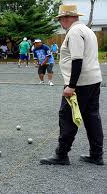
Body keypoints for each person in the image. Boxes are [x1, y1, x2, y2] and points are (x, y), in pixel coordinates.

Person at [40, 4, 104, 165]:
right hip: (93, 80)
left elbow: (77, 60)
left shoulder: (74, 32)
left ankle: (61, 154)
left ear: (67, 18)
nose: (61, 23)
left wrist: (71, 86)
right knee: (92, 117)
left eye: (61, 19)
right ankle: (96, 154)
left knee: (67, 117)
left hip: (80, 83)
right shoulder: (87, 30)